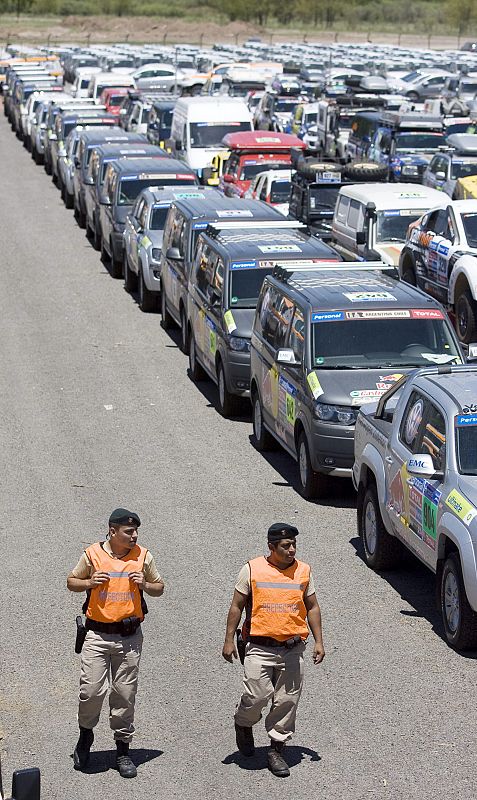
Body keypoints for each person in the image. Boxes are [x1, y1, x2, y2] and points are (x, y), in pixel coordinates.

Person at [67, 508, 164, 778]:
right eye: (129, 532)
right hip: (97, 635)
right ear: (113, 531)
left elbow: (160, 587)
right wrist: (88, 581)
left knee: (124, 694)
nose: (134, 536)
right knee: (91, 691)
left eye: (136, 532)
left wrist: (146, 584)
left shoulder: (143, 556)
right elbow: (71, 582)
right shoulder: (92, 554)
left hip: (129, 638)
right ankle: (85, 736)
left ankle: (123, 750)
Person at [222, 522, 325, 777]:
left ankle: (276, 749)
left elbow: (312, 607)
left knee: (287, 700)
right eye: (285, 546)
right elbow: (237, 605)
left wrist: (319, 641)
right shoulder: (252, 569)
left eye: (294, 545)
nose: (292, 550)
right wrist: (227, 641)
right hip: (259, 646)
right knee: (257, 696)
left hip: (292, 648)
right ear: (271, 547)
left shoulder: (303, 571)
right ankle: (243, 723)